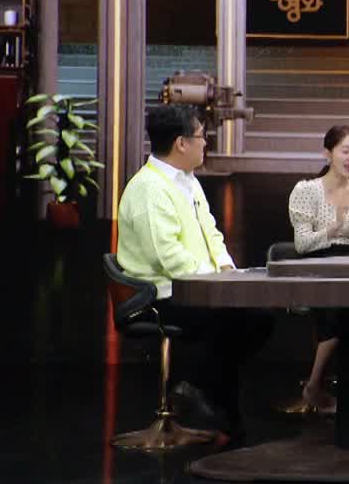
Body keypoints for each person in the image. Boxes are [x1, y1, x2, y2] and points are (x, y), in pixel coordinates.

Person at [116, 105, 273, 443]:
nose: (206, 143)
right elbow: (168, 256)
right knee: (231, 325)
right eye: (202, 136)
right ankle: (213, 403)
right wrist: (216, 285)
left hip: (197, 287)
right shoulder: (149, 189)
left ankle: (199, 386)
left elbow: (211, 233)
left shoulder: (188, 181)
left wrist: (227, 270)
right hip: (161, 294)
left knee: (258, 317)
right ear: (181, 143)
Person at [286, 125, 349, 412]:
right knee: (338, 315)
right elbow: (302, 244)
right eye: (345, 150)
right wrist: (330, 231)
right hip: (313, 267)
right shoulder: (307, 190)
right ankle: (313, 386)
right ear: (328, 153)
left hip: (345, 266)